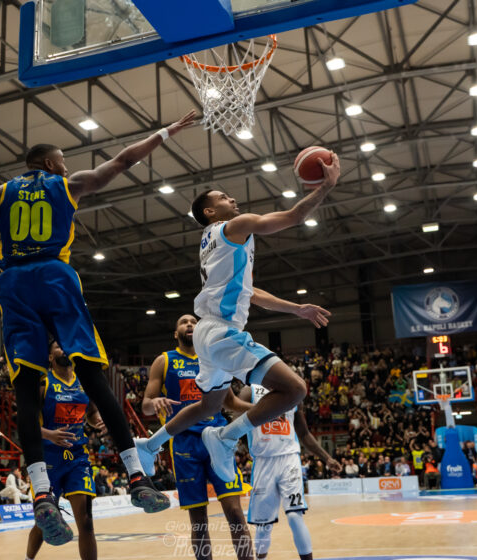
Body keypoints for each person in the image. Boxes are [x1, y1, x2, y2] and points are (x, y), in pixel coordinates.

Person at [0, 109, 196, 544]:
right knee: (93, 375)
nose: (68, 167)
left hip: (13, 284)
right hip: (55, 277)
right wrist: (165, 131)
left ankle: (39, 493)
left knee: (25, 386)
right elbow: (123, 161)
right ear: (52, 164)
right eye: (65, 161)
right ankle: (136, 476)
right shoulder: (65, 185)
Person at [136, 154, 340, 482]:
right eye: (222, 197)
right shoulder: (235, 227)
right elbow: (294, 216)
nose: (232, 198)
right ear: (209, 212)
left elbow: (251, 292)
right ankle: (226, 437)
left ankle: (149, 444)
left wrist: (297, 309)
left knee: (208, 407)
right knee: (294, 390)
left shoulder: (216, 241)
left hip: (207, 331)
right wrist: (326, 186)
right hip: (221, 332)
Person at [140, 315, 252, 560]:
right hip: (184, 443)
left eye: (193, 321)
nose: (189, 324)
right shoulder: (164, 361)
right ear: (175, 332)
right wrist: (154, 402)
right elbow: (146, 406)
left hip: (217, 440)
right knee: (198, 518)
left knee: (234, 512)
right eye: (183, 322)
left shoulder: (212, 357)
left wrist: (263, 410)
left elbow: (231, 402)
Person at [232, 381, 342, 560]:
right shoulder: (249, 390)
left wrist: (327, 458)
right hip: (263, 461)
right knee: (263, 525)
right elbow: (235, 420)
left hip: (289, 458)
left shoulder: (293, 390)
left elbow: (304, 434)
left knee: (294, 516)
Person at [26, 340, 106, 559]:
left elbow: (90, 413)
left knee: (87, 522)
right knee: (45, 521)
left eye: (66, 345)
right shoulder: (43, 382)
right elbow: (25, 421)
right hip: (47, 458)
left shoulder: (84, 383)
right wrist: (49, 434)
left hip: (78, 458)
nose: (64, 348)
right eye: (58, 346)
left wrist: (97, 420)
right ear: (50, 357)